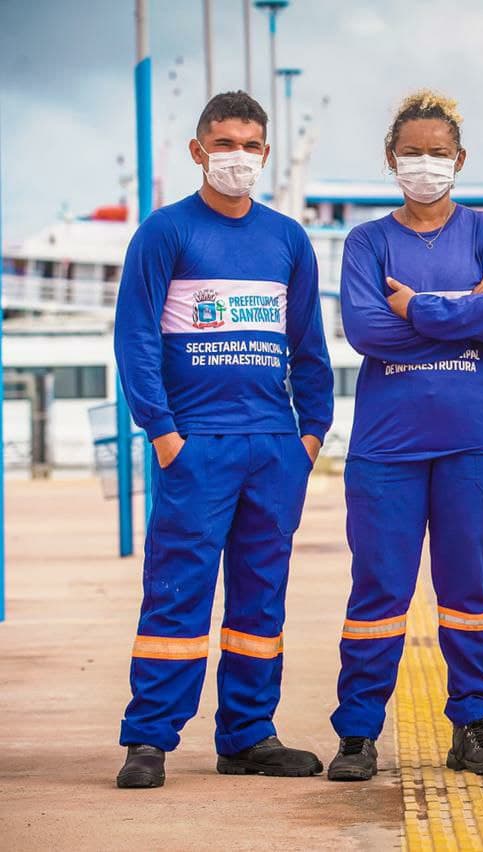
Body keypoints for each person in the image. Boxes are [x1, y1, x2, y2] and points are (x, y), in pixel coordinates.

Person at [113, 91, 334, 788]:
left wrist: (311, 432)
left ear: (265, 154)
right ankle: (149, 740)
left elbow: (308, 344)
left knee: (260, 598)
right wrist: (163, 432)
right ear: (198, 150)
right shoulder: (166, 232)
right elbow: (137, 338)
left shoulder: (287, 239)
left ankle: (247, 736)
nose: (237, 156)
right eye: (224, 142)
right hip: (196, 444)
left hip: (274, 445)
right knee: (177, 590)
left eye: (249, 144)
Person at [326, 90, 483, 781]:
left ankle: (473, 724)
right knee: (378, 591)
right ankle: (357, 733)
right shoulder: (367, 241)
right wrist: (465, 308)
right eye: (412, 152)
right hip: (388, 448)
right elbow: (364, 330)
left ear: (460, 160)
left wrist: (417, 307)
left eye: (438, 154)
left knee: (467, 592)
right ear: (391, 159)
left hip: (476, 443)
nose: (425, 165)